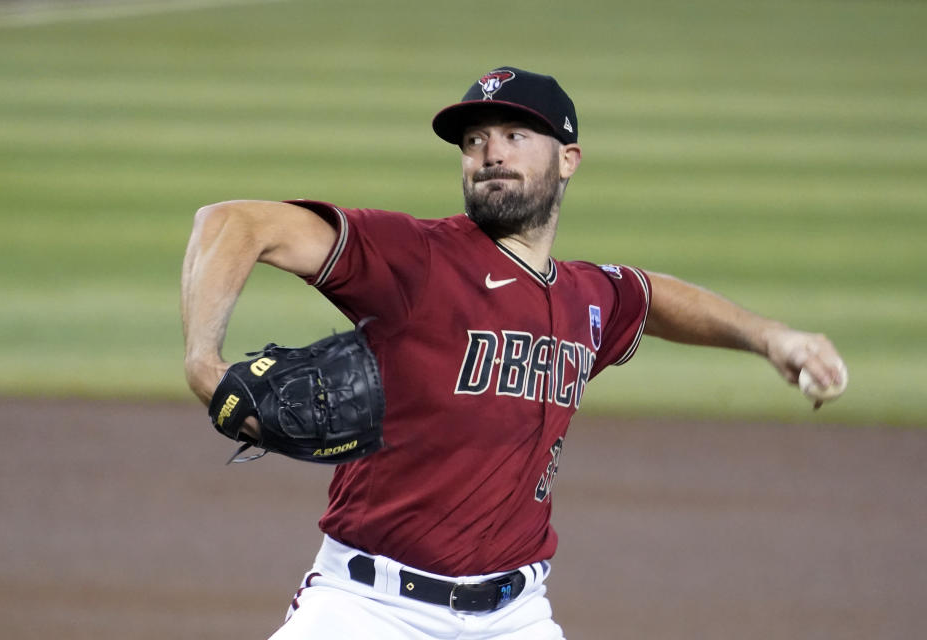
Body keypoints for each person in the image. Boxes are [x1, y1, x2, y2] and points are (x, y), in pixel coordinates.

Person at [181, 66, 846, 639]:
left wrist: (769, 337)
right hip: (367, 608)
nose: (490, 152)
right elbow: (232, 222)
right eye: (475, 141)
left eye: (514, 136)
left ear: (568, 159)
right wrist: (203, 364)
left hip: (515, 615)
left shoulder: (589, 297)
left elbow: (652, 297)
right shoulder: (418, 259)